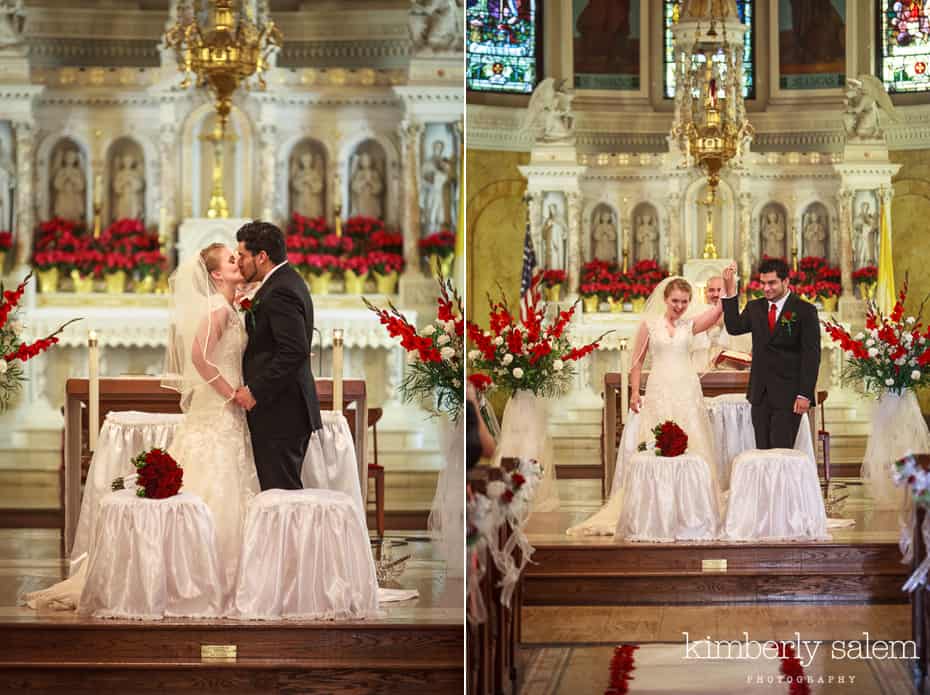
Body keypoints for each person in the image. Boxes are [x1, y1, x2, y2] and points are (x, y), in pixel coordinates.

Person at [567, 277, 724, 536]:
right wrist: (634, 393)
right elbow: (636, 363)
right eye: (675, 301)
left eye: (684, 302)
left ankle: (692, 509)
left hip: (686, 389)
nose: (680, 306)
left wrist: (728, 286)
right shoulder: (649, 325)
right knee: (656, 446)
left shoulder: (690, 325)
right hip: (659, 389)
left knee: (693, 446)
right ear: (665, 299)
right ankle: (655, 508)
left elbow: (719, 310)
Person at [235, 220, 323, 490]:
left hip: (282, 411)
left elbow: (294, 350)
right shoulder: (281, 282)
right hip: (281, 409)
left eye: (242, 255)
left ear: (262, 256)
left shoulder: (281, 290)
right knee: (277, 496)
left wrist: (255, 390)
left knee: (282, 496)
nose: (239, 262)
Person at [721, 258, 821, 449]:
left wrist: (804, 394)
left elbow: (811, 356)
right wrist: (730, 290)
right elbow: (734, 327)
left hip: (789, 395)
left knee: (781, 453)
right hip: (760, 394)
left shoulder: (804, 311)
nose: (766, 288)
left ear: (786, 282)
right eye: (763, 283)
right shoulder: (755, 308)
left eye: (772, 283)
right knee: (763, 453)